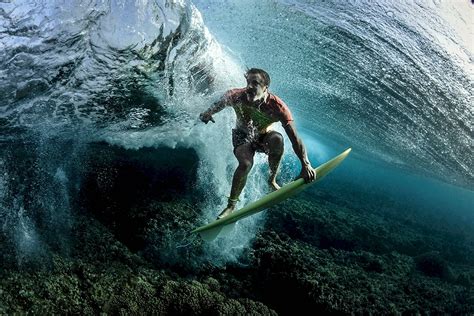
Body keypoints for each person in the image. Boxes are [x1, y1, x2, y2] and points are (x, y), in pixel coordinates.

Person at [199, 68, 316, 219]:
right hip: (242, 136)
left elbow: (295, 139)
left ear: (266, 87)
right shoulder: (235, 96)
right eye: (248, 82)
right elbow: (216, 106)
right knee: (246, 163)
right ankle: (231, 206)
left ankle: (271, 180)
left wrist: (305, 164)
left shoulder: (278, 107)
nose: (249, 86)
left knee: (277, 139)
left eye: (255, 83)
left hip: (263, 138)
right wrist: (207, 114)